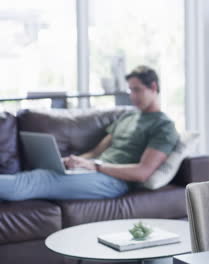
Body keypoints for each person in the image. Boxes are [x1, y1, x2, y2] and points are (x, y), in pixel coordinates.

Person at [0, 65, 179, 201]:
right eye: (130, 90)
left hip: (114, 181)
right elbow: (95, 152)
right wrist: (76, 162)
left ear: (153, 87)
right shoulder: (128, 117)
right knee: (34, 176)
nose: (132, 96)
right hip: (93, 171)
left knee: (32, 182)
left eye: (137, 89)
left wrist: (96, 167)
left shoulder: (163, 126)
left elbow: (142, 172)